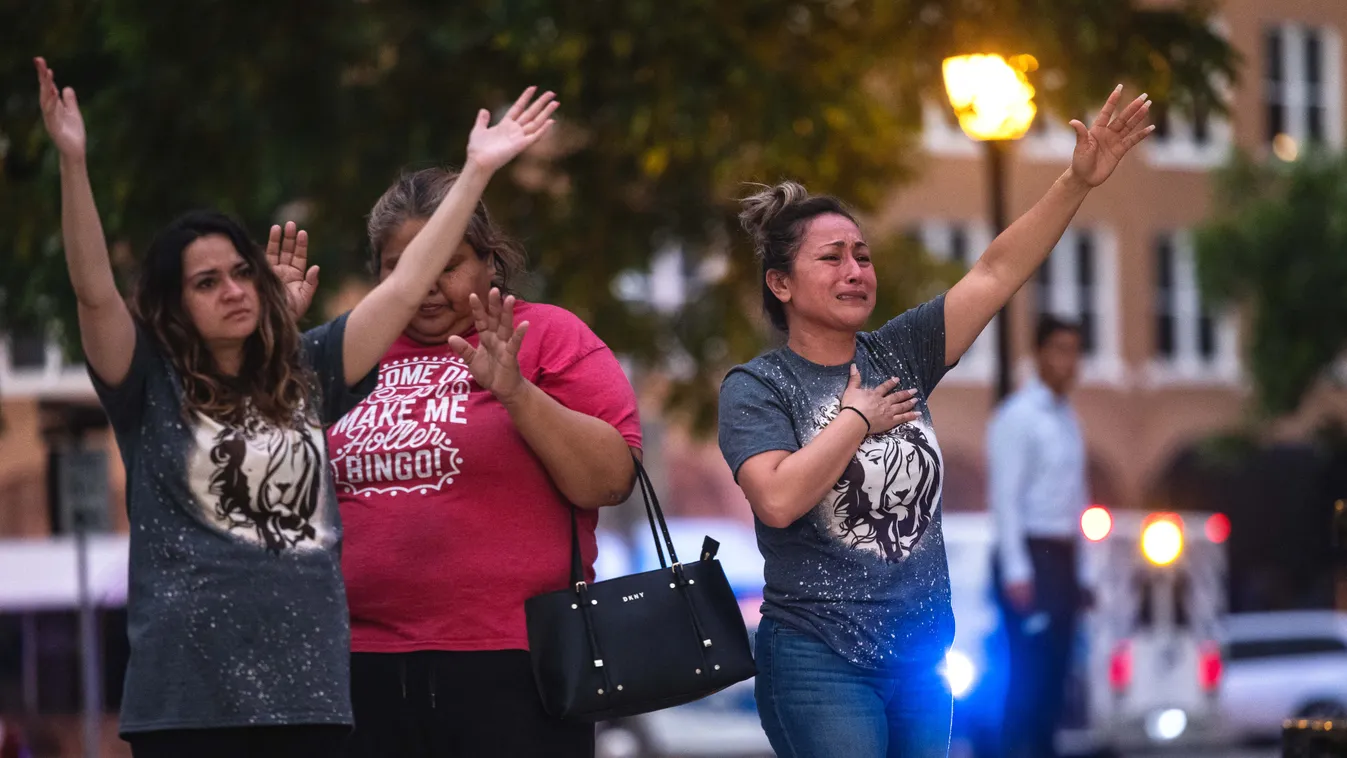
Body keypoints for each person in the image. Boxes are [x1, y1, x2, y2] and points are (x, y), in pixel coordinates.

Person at [33, 55, 557, 758]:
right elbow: (94, 290)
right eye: (207, 281)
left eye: (243, 272)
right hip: (184, 708)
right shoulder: (146, 386)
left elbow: (400, 291)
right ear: (171, 305)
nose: (234, 289)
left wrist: (475, 173)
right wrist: (73, 163)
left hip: (307, 703)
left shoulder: (306, 370)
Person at [716, 85, 1152, 758]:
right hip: (819, 660)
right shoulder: (758, 386)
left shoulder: (899, 352)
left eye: (861, 255)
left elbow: (996, 270)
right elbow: (775, 499)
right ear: (780, 284)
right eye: (830, 258)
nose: (855, 269)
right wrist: (854, 420)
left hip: (921, 662)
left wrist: (1074, 181)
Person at [329, 166, 643, 758]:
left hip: (514, 665)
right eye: (401, 266)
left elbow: (610, 480)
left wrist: (518, 392)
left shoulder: (546, 335)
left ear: (488, 262)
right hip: (356, 666)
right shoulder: (346, 353)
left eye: (444, 265)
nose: (423, 284)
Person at [988, 316, 1088, 758]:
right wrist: (1017, 571)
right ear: (1040, 353)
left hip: (1062, 557)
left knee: (1056, 681)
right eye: (1061, 349)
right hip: (1031, 555)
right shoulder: (1018, 417)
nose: (1070, 361)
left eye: (1075, 350)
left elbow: (1077, 503)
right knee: (1027, 680)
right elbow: (1005, 498)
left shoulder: (1068, 420)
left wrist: (1084, 573)